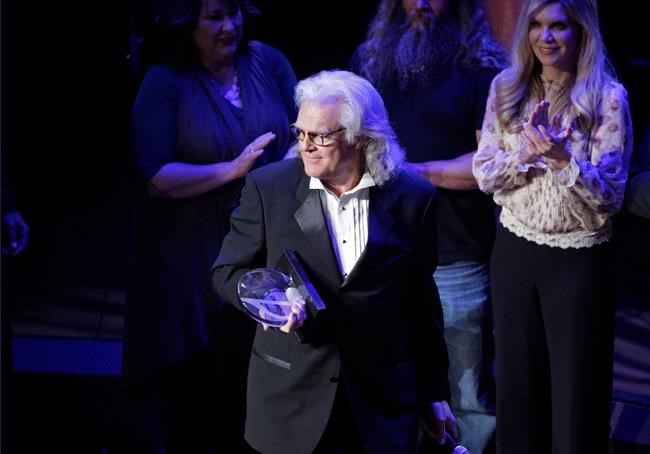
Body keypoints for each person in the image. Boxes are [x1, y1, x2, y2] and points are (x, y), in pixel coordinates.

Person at [212, 69, 457, 454]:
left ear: (361, 137)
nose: (306, 146)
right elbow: (227, 271)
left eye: (320, 136)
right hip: (292, 398)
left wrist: (433, 391)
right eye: (300, 133)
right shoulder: (269, 188)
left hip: (380, 402)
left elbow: (420, 304)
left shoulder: (413, 198)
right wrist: (268, 301)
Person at [120, 0, 297, 451]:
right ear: (188, 22)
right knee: (201, 397)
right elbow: (157, 177)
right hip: (191, 258)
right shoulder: (166, 82)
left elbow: (302, 131)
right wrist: (232, 170)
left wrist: (297, 160)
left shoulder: (267, 61)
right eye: (215, 16)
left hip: (264, 247)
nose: (229, 26)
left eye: (233, 13)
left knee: (262, 391)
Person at [471, 0, 633, 451]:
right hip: (515, 251)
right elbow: (485, 176)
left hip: (578, 261)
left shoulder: (607, 98)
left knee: (575, 395)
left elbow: (609, 198)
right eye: (536, 25)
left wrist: (563, 160)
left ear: (581, 31)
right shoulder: (506, 88)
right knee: (517, 390)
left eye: (559, 26)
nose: (545, 37)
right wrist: (525, 153)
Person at [349, 1, 508, 451]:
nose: (420, 3)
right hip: (379, 251)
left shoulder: (483, 68)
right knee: (387, 378)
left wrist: (411, 173)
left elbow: (490, 163)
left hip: (454, 254)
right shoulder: (370, 60)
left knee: (467, 394)